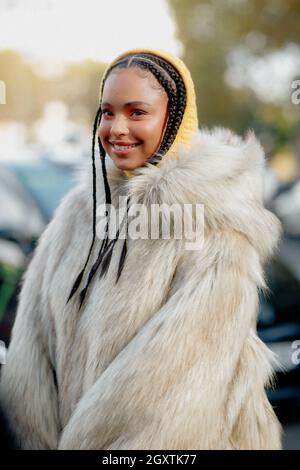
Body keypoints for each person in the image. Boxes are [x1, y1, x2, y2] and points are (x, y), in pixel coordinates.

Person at [0, 48, 282, 450]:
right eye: (107, 112)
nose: (116, 128)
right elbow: (32, 356)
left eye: (136, 112)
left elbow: (168, 402)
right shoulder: (76, 214)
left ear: (175, 119)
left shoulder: (213, 228)